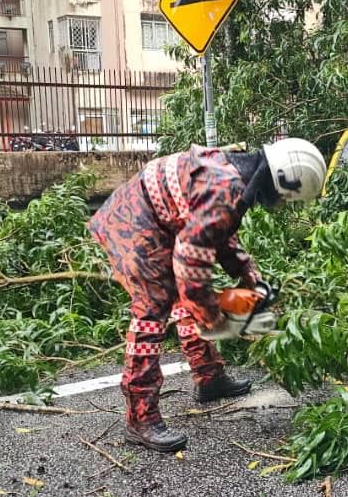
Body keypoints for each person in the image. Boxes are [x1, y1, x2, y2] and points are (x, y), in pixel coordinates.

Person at [88, 139, 326, 452]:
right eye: (284, 198)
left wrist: (249, 276)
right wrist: (214, 319)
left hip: (159, 220)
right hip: (133, 222)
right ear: (281, 181)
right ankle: (139, 417)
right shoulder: (224, 190)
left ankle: (208, 377)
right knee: (154, 308)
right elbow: (190, 268)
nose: (280, 204)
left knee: (188, 297)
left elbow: (220, 235)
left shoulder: (235, 175)